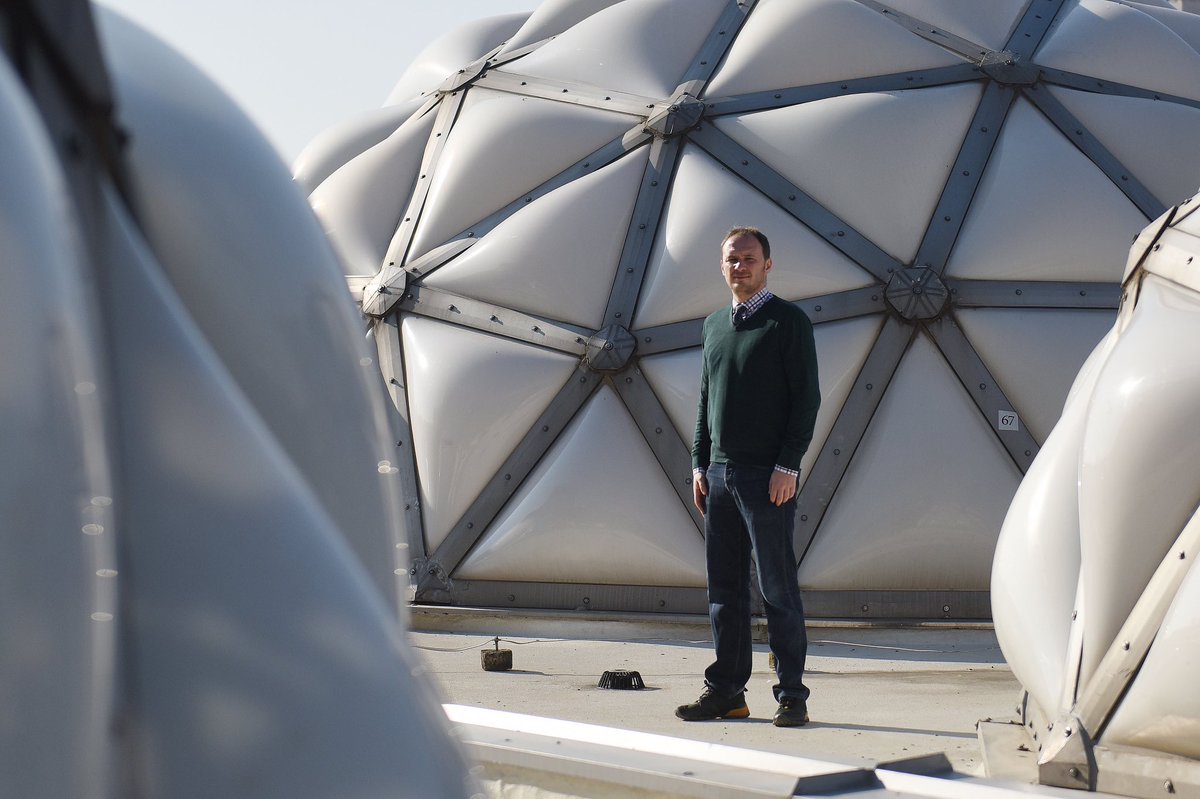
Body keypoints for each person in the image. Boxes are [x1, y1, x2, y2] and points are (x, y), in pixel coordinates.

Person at [676, 226, 820, 728]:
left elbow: (806, 400)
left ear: (767, 265)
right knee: (724, 591)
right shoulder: (714, 325)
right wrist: (700, 464)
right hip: (719, 476)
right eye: (732, 259)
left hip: (766, 477)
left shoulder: (788, 322)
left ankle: (792, 695)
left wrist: (788, 465)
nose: (740, 267)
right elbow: (705, 399)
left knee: (778, 590)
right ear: (722, 266)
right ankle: (727, 693)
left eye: (749, 259)